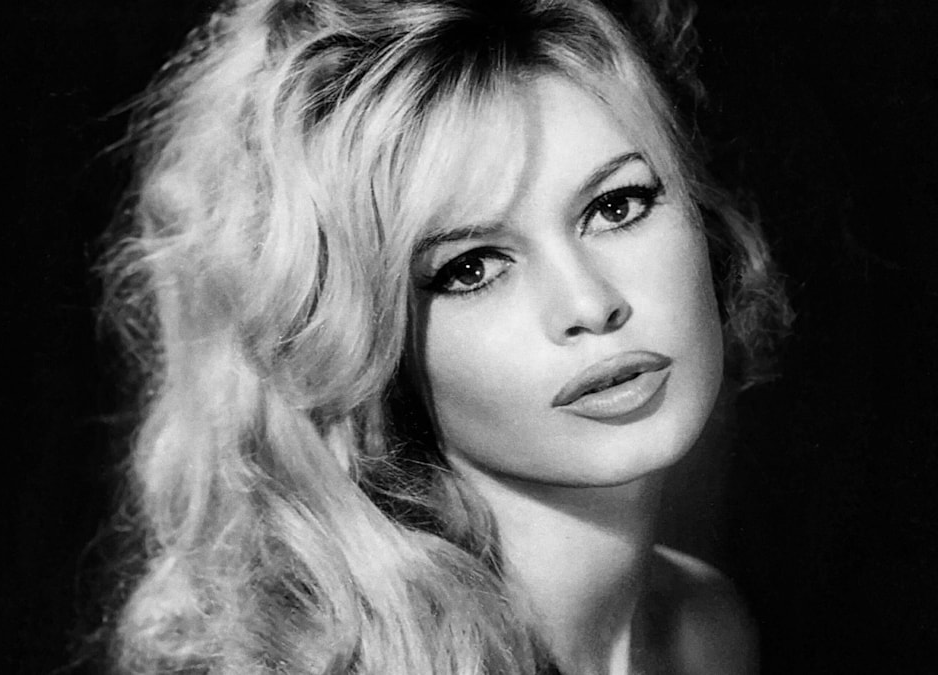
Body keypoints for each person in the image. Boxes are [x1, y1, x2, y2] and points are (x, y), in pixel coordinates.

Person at [101, 0, 791, 672]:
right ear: (360, 344)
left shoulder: (702, 628)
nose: (590, 304)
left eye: (616, 206)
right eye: (472, 268)